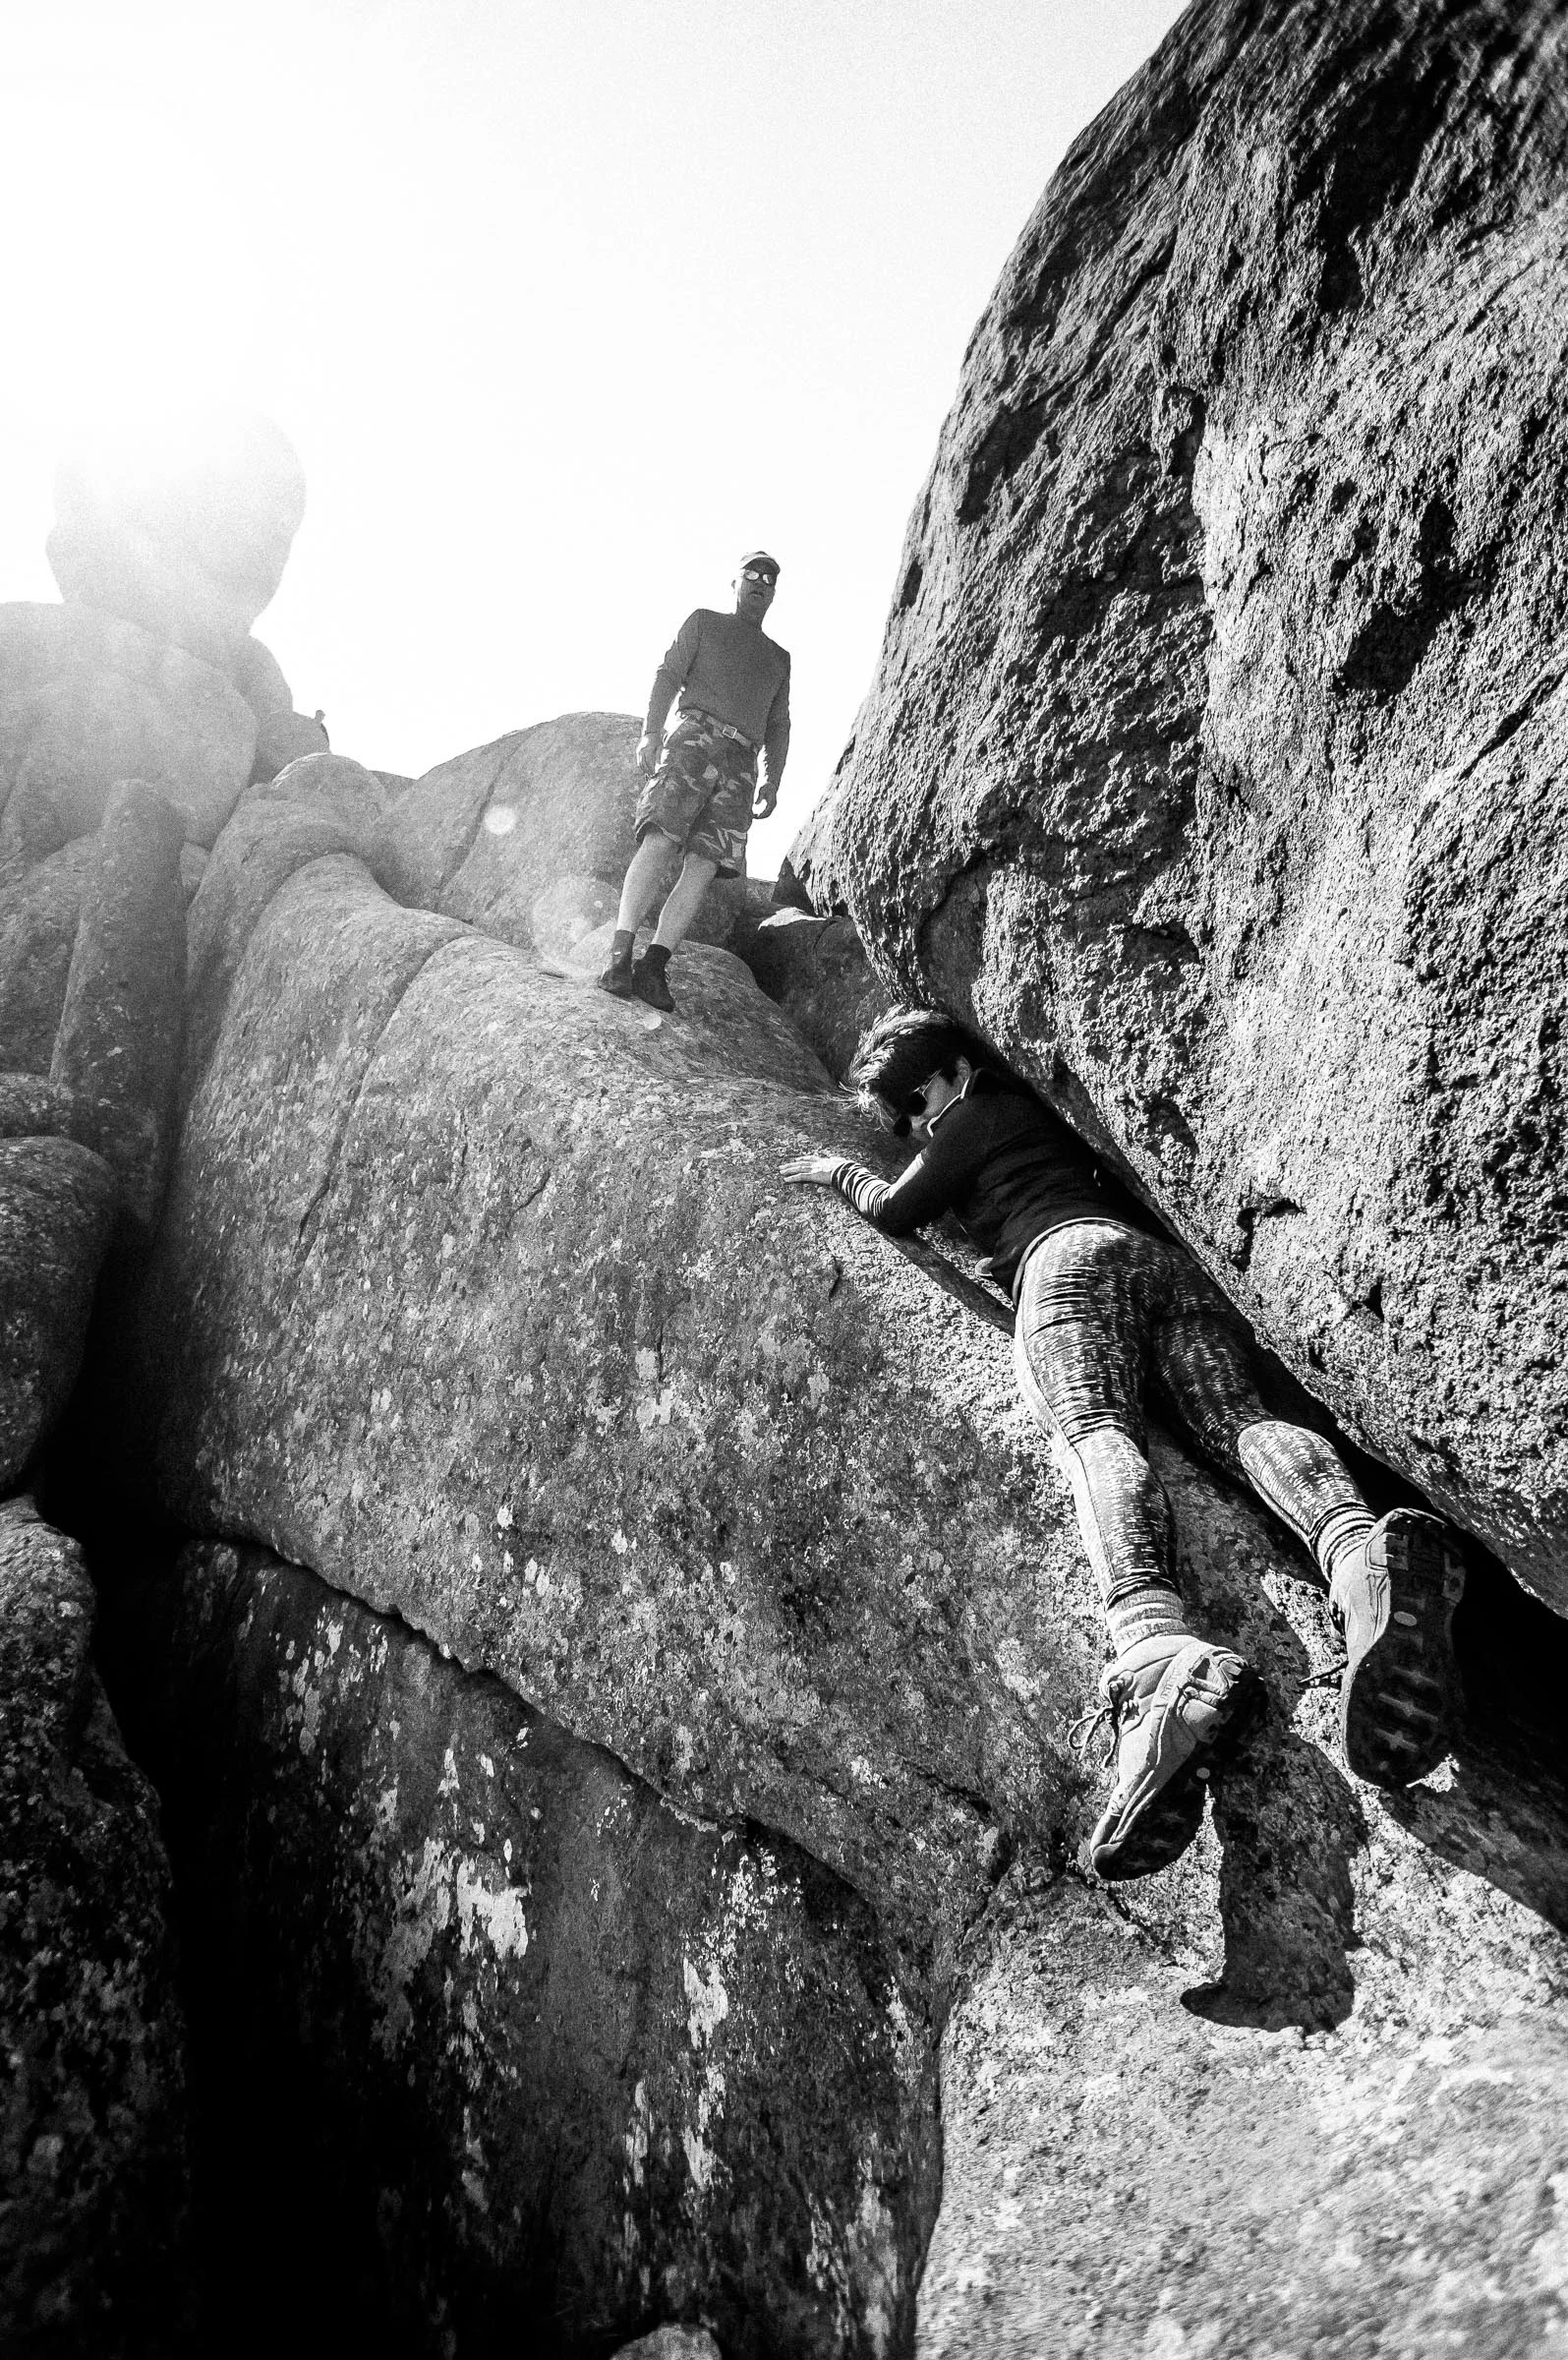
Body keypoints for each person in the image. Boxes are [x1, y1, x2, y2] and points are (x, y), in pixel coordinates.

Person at [781, 1007, 1466, 1881]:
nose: (914, 1126)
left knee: (1095, 1433)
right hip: (1156, 1263)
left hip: (1063, 1269)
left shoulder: (971, 1116)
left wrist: (839, 1170)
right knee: (1238, 1421)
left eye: (913, 1103)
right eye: (900, 1120)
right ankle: (1357, 1553)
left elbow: (895, 1210)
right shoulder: (1031, 1109)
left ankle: (1153, 1659)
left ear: (949, 1072)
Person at [600, 552, 790, 1013]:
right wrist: (650, 732)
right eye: (751, 574)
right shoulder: (704, 622)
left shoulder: (779, 658)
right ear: (735, 583)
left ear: (773, 594)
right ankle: (619, 957)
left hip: (741, 763)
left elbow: (779, 723)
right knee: (661, 842)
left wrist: (772, 780)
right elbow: (668, 675)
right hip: (693, 740)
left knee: (703, 867)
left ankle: (654, 966)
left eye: (769, 579)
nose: (760, 582)